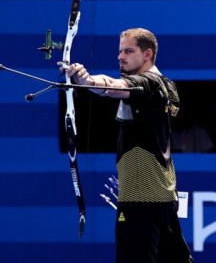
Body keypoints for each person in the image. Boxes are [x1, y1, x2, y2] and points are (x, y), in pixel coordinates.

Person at [63, 28, 193, 263]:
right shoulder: (169, 86)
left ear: (147, 54)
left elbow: (114, 86)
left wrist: (86, 80)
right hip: (165, 197)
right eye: (120, 51)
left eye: (129, 51)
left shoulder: (148, 83)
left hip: (139, 200)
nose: (120, 56)